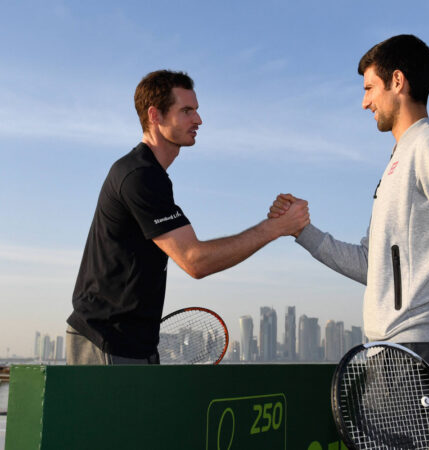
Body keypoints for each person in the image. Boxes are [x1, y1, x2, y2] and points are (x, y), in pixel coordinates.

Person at [270, 35, 429, 423]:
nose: (365, 102)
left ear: (397, 82)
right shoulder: (397, 162)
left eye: (369, 88)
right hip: (391, 354)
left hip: (423, 351)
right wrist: (303, 231)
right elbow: (372, 264)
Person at [67, 70, 309, 365]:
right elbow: (195, 261)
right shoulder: (139, 176)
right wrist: (275, 228)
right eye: (186, 111)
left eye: (196, 110)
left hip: (132, 344)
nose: (198, 120)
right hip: (107, 340)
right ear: (155, 116)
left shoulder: (150, 175)